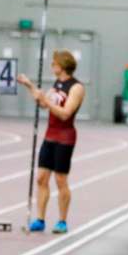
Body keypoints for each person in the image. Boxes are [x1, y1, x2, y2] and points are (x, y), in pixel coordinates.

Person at [17, 50, 84, 234]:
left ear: (61, 65)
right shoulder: (57, 84)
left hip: (65, 136)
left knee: (60, 179)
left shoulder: (76, 87)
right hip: (50, 135)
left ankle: (62, 221)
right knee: (41, 178)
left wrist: (45, 99)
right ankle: (40, 219)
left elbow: (65, 113)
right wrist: (29, 86)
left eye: (53, 63)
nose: (51, 66)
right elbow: (43, 103)